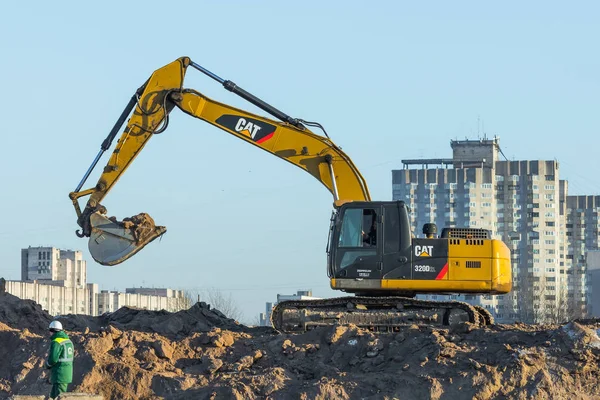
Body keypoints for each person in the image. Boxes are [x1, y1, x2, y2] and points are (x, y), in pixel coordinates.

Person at [45, 320, 74, 399]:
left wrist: (47, 365)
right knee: (53, 396)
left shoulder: (56, 342)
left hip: (59, 373)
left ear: (52, 331)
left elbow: (53, 359)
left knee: (59, 396)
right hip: (66, 373)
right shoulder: (69, 341)